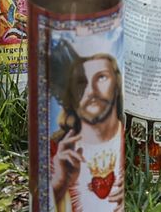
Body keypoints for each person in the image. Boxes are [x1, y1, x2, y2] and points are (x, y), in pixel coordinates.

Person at [48, 50, 125, 211]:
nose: (91, 90)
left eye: (101, 77)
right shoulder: (57, 151)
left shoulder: (125, 137)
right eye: (82, 82)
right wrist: (58, 185)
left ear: (117, 84)